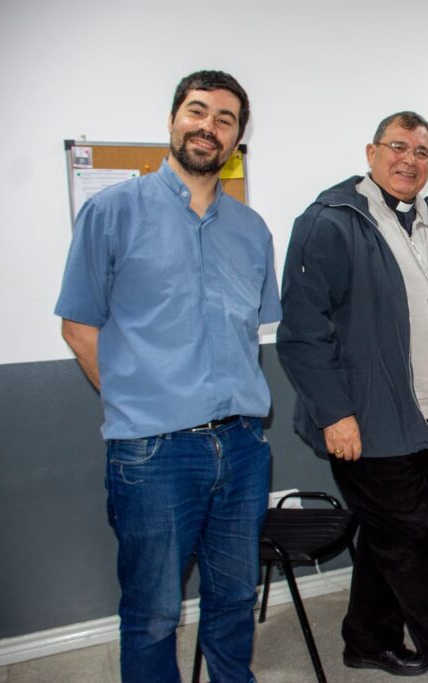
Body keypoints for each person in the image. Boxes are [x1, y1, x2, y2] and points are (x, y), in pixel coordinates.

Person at [55, 70, 280, 682]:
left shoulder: (252, 232)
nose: (209, 126)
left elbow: (250, 333)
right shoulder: (112, 212)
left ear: (236, 139)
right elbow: (78, 328)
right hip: (153, 453)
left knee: (234, 600)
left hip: (240, 448)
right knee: (153, 613)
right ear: (174, 119)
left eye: (225, 118)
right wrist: (138, 404)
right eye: (198, 111)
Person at [276, 111, 428, 683]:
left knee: (393, 533)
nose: (409, 159)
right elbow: (303, 332)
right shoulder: (331, 221)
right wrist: (335, 413)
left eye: (422, 151)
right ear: (372, 152)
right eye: (398, 147)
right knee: (410, 541)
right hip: (369, 420)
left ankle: (367, 639)